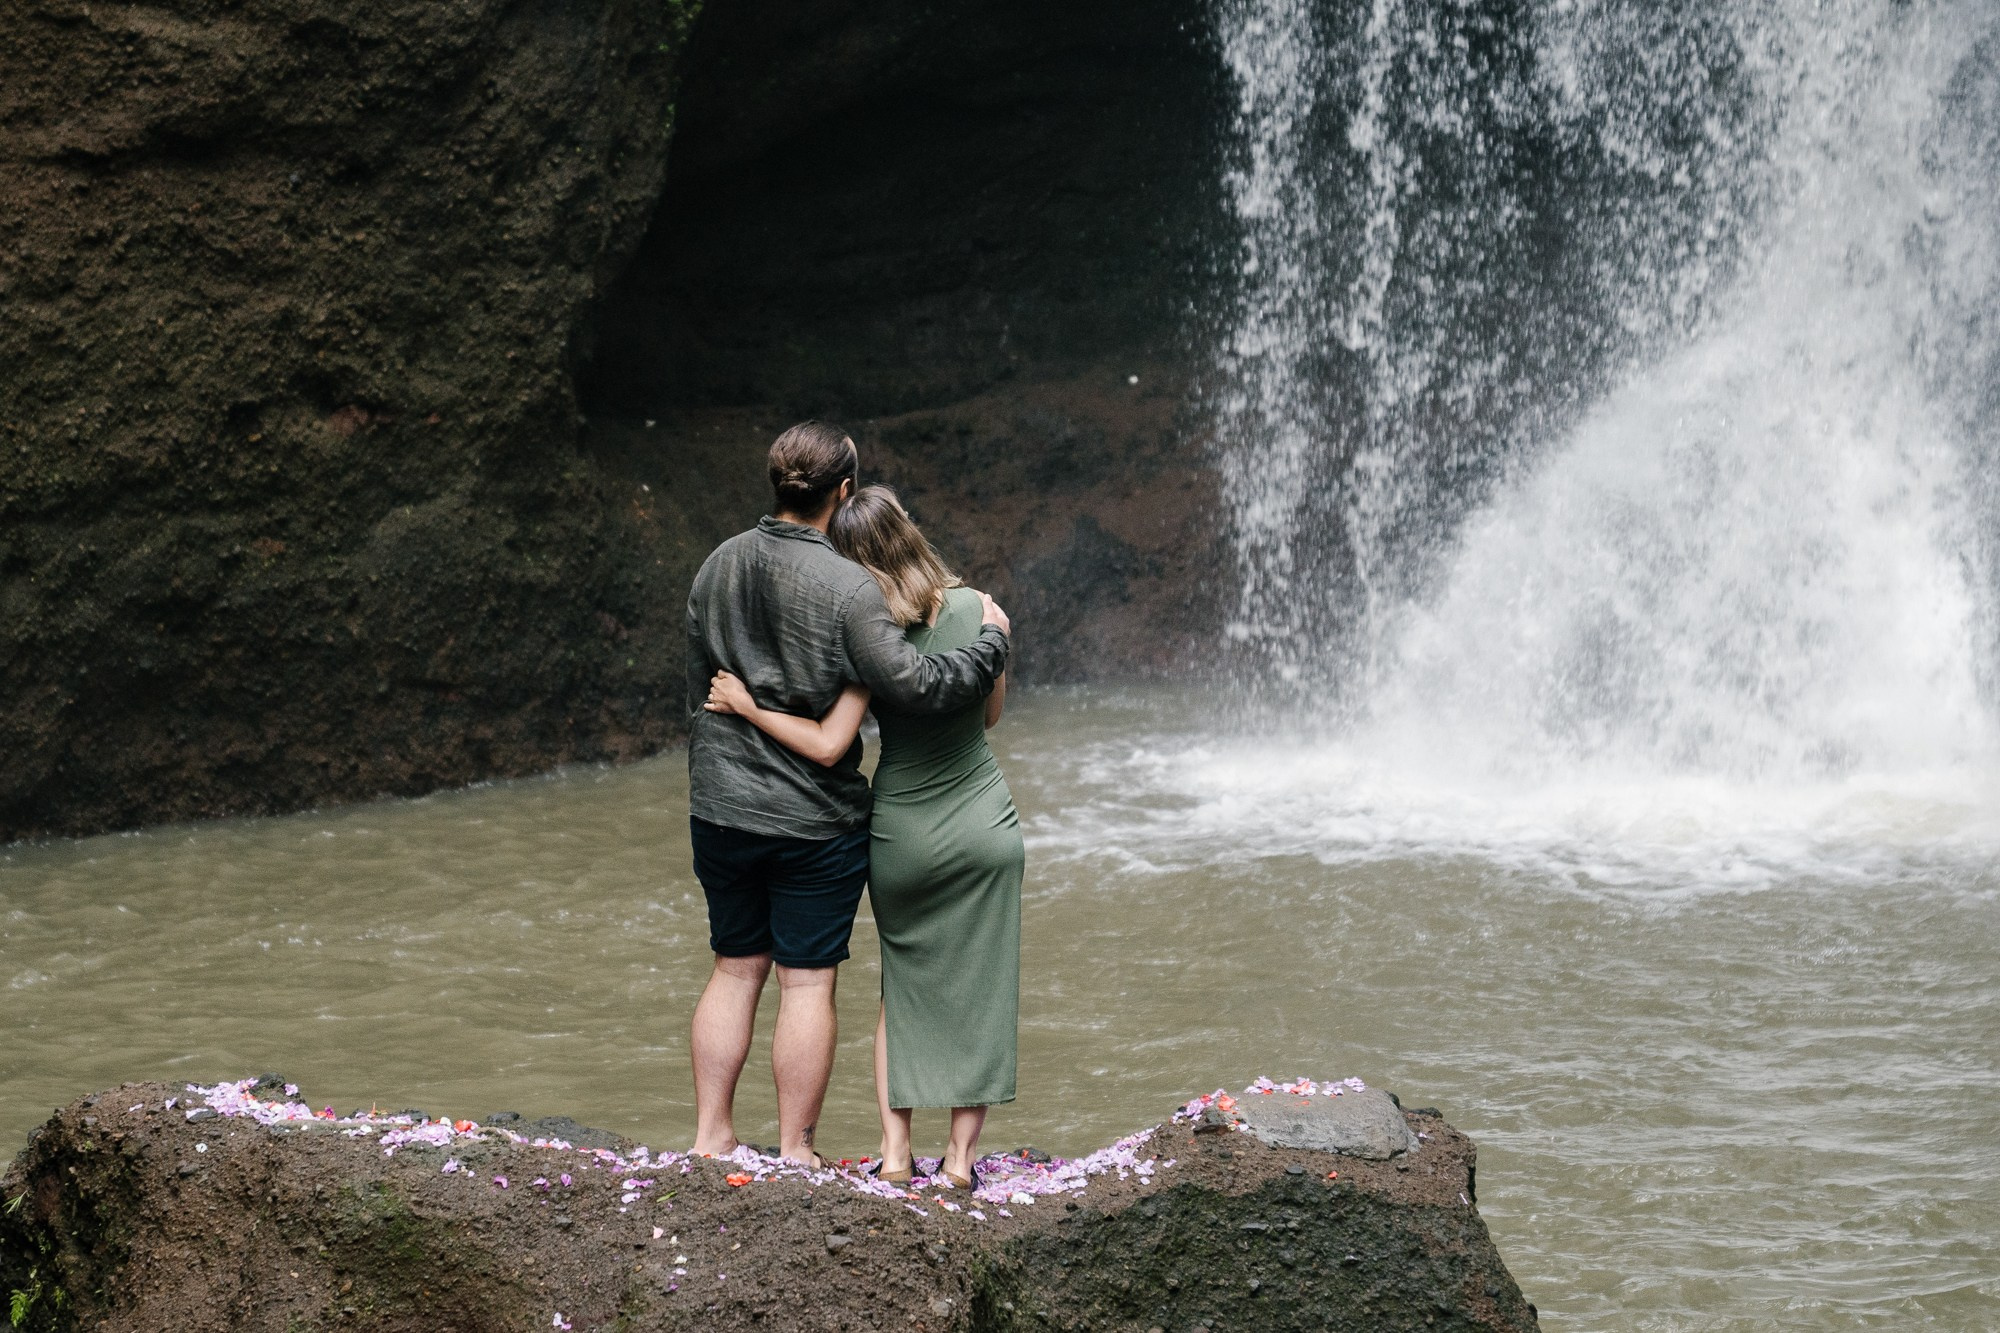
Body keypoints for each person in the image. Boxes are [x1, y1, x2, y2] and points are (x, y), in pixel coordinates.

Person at [685, 423, 1012, 1167]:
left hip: (720, 804)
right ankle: (796, 1149)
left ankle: (711, 1137)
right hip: (809, 814)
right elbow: (916, 685)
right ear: (842, 490)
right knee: (805, 982)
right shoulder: (848, 587)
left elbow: (697, 687)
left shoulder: (716, 565)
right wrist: (992, 643)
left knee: (734, 966)